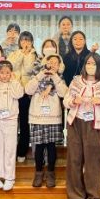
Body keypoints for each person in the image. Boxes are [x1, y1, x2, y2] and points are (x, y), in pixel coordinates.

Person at [64, 53, 100, 199]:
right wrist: (73, 101)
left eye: (94, 64)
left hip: (94, 126)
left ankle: (93, 197)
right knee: (74, 160)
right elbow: (65, 101)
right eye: (88, 63)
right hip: (75, 123)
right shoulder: (75, 81)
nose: (90, 66)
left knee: (93, 162)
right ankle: (75, 196)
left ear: (99, 66)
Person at [26, 55, 68, 188]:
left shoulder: (60, 78)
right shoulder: (37, 75)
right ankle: (38, 172)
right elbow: (28, 90)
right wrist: (42, 74)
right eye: (50, 62)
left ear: (59, 66)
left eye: (56, 63)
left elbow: (64, 93)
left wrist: (54, 76)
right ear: (45, 63)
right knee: (38, 146)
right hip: (38, 116)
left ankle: (50, 173)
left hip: (53, 116)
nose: (52, 64)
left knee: (51, 146)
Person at [0, 61, 24, 191]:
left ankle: (9, 177)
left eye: (7, 73)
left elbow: (18, 94)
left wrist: (13, 81)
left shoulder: (15, 83)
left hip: (11, 120)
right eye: (2, 73)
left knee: (10, 149)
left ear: (11, 73)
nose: (5, 75)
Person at [8, 31, 38, 162]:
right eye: (23, 40)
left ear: (32, 42)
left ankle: (22, 151)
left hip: (26, 93)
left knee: (25, 123)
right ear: (19, 42)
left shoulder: (35, 55)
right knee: (12, 123)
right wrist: (21, 53)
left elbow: (29, 69)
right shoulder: (14, 53)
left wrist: (28, 55)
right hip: (13, 91)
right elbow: (12, 66)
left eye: (28, 40)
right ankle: (10, 151)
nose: (25, 43)